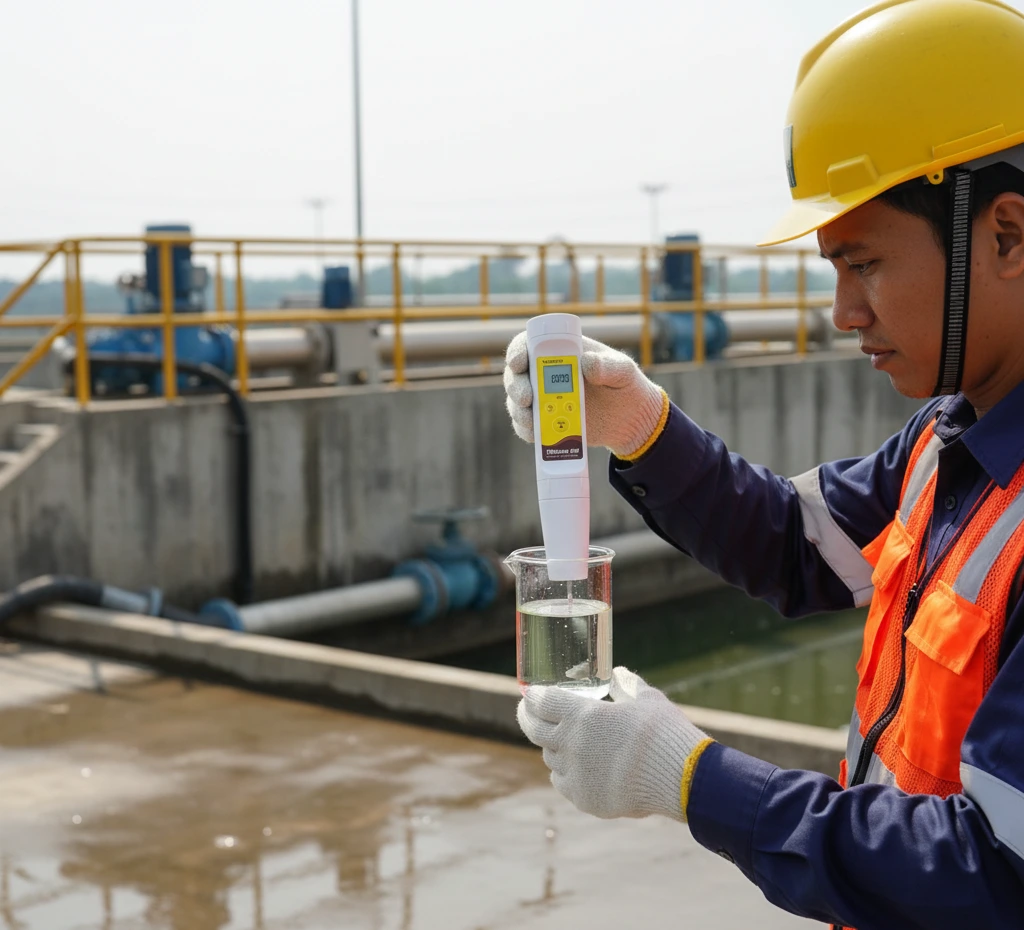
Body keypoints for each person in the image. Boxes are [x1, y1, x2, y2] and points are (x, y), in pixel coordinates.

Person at [503, 1, 1024, 928]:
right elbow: (796, 543)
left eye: (862, 263)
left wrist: (695, 779)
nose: (842, 312)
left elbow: (994, 874)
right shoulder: (951, 443)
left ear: (1007, 235)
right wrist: (640, 426)